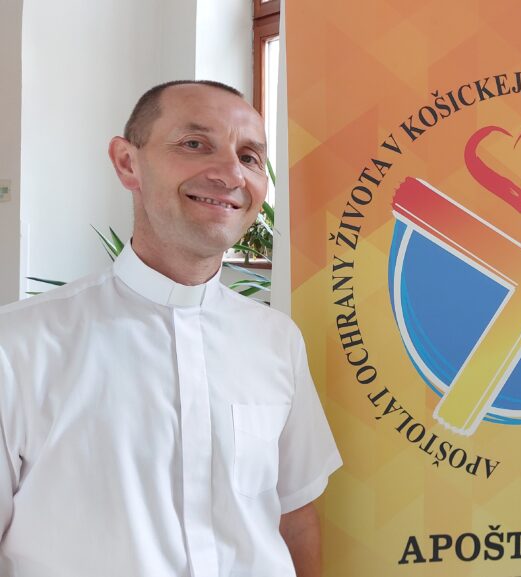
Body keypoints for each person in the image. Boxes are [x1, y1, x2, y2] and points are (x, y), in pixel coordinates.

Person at [0, 80, 342, 577]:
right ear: (127, 163)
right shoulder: (17, 346)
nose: (231, 173)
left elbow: (295, 517)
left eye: (249, 157)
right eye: (194, 144)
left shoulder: (277, 340)